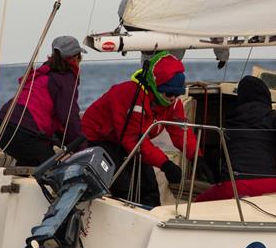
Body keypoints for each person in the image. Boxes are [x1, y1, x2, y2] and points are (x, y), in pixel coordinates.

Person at [81, 51, 198, 207]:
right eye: (169, 93)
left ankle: (152, 216)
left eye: (177, 94)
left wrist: (197, 156)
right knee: (125, 186)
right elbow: (133, 138)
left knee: (150, 189)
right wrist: (165, 164)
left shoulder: (172, 104)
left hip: (131, 141)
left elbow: (180, 131)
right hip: (99, 140)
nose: (173, 98)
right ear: (156, 87)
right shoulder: (130, 95)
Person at [196, 75, 276, 202]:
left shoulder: (231, 120)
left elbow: (224, 156)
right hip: (269, 185)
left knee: (196, 204)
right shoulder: (275, 117)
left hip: (234, 186)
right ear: (266, 96)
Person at [0, 35, 86, 167]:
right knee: (51, 169)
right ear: (76, 57)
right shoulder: (65, 78)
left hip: (0, 126)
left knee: (32, 161)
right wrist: (82, 148)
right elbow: (68, 117)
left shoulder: (43, 72)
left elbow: (57, 119)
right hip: (22, 131)